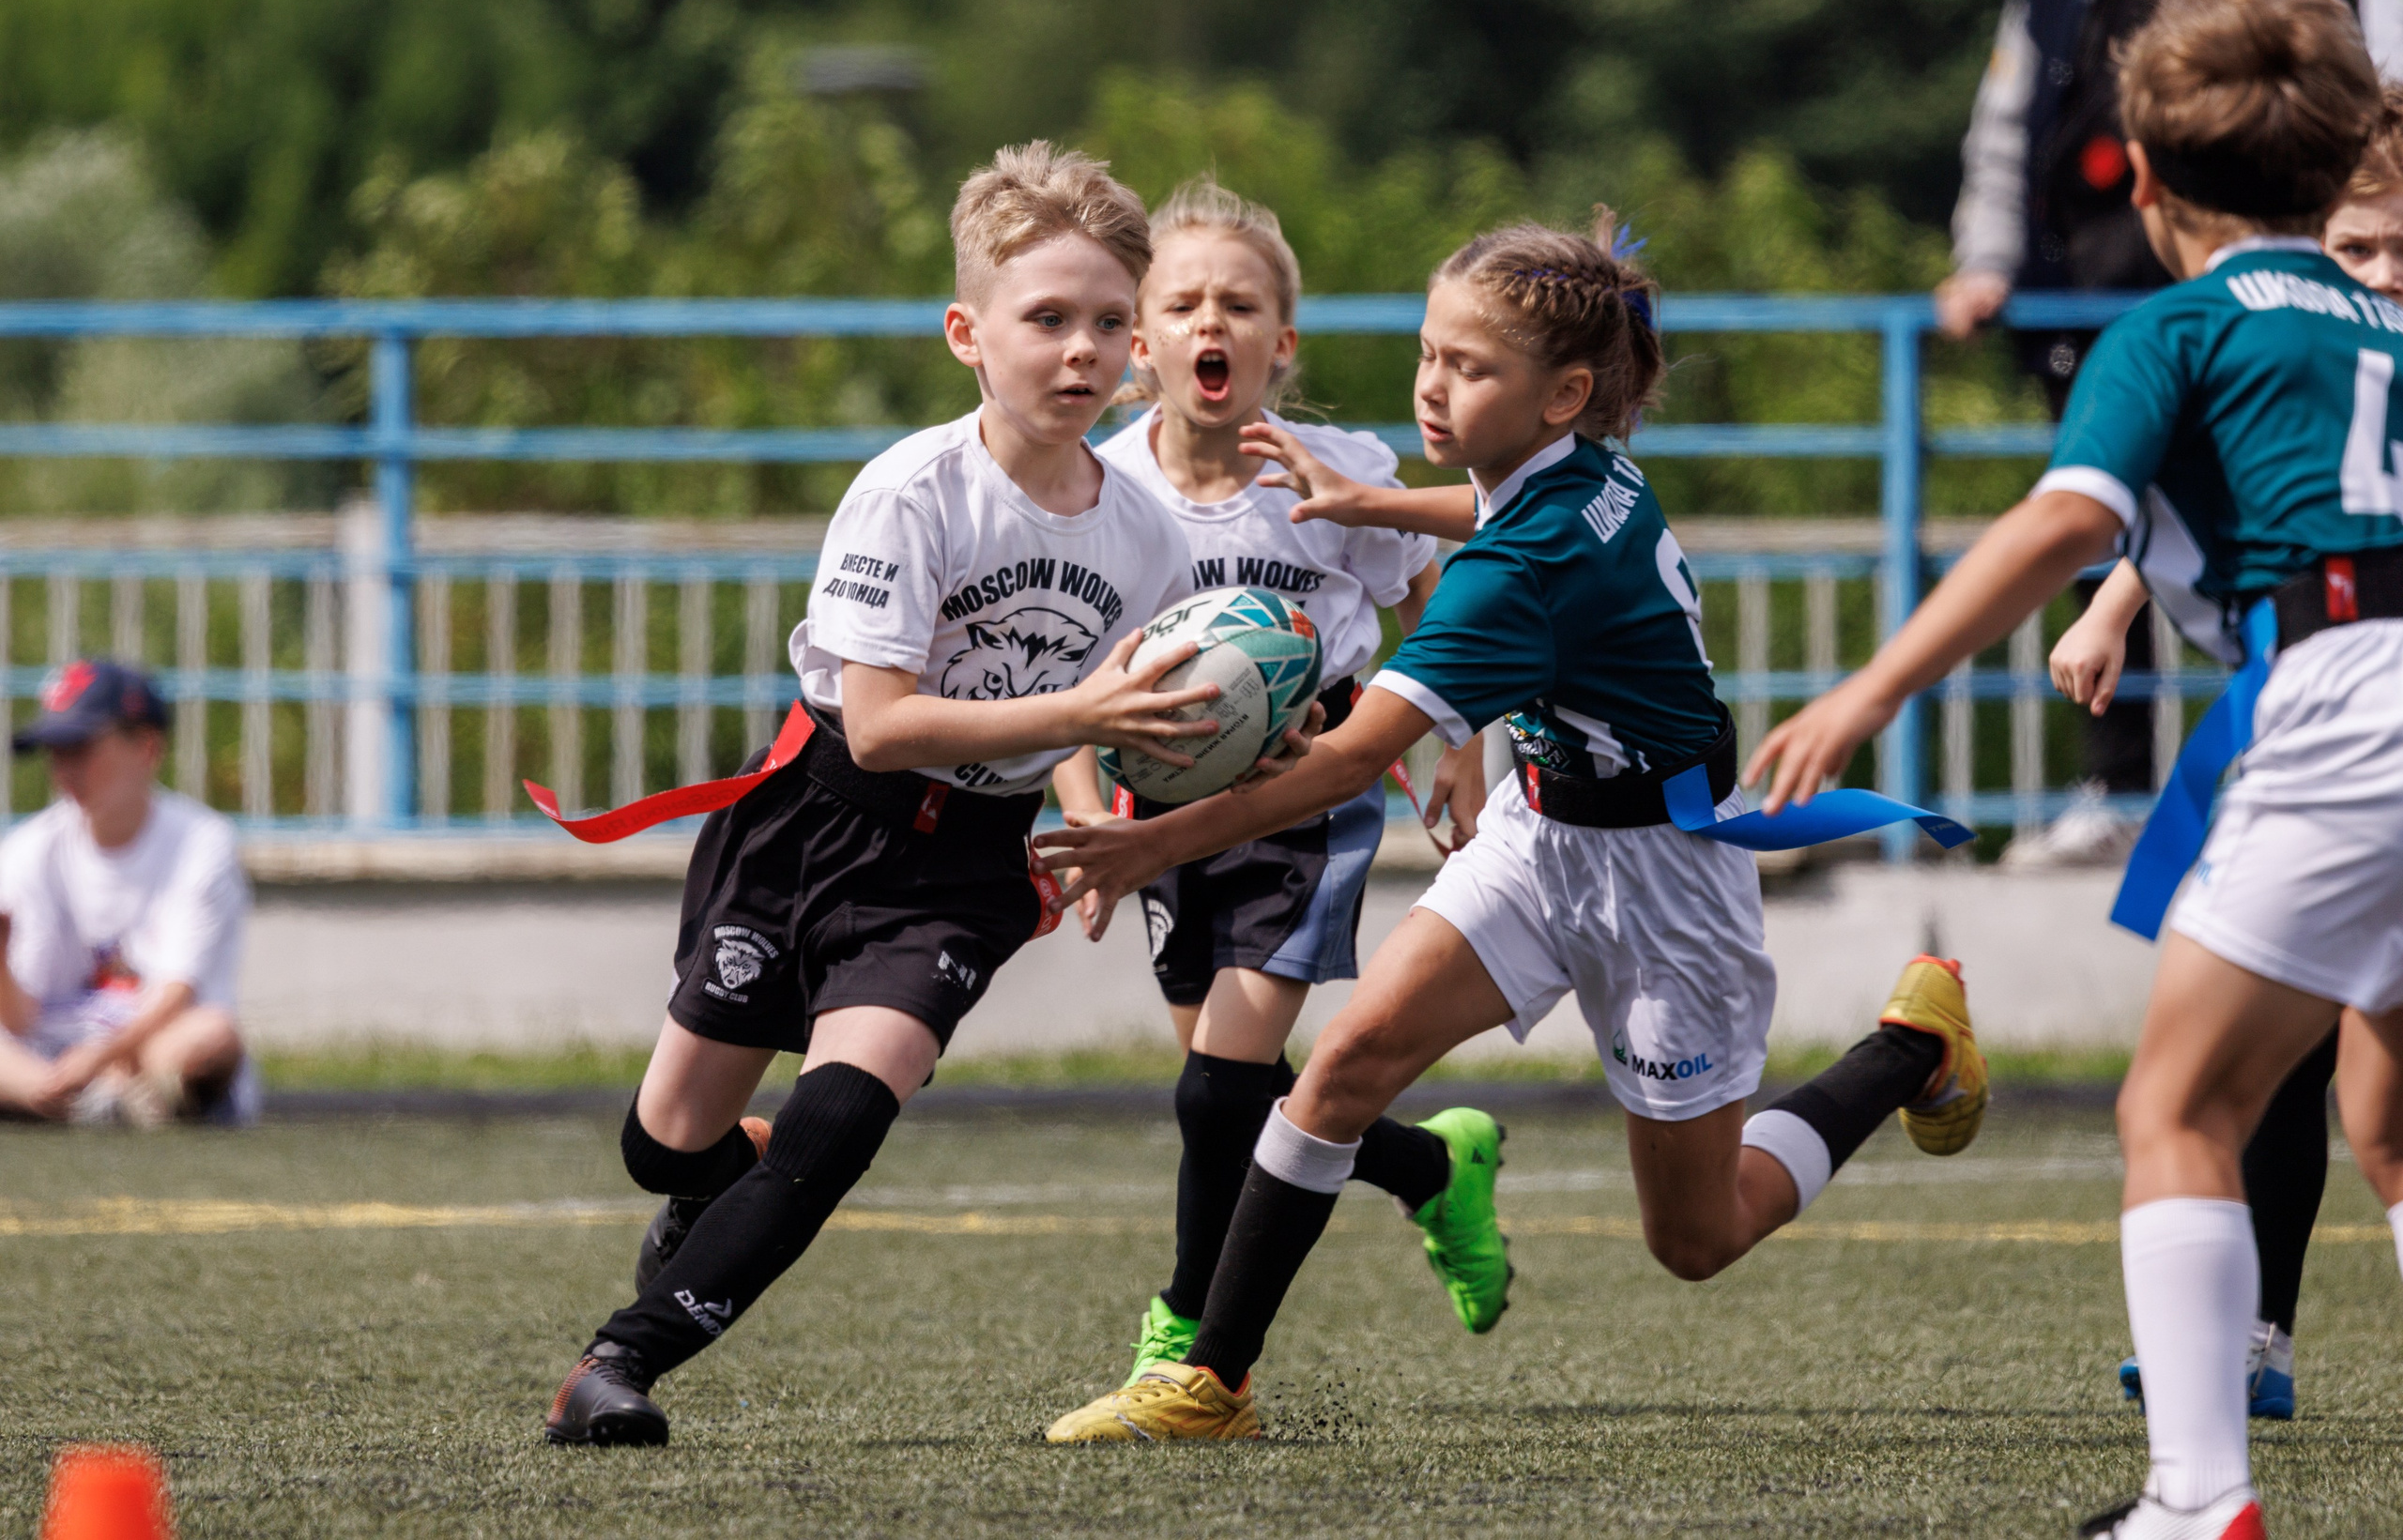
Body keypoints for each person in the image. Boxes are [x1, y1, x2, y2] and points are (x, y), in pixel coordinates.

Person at [1035, 213, 1989, 1444]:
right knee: (1344, 1066)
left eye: (1469, 368)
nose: (1432, 386)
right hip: (1541, 838)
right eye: (1429, 354)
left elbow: (1350, 765)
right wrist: (1374, 499)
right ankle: (1210, 1381)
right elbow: (1493, 508)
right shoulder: (1574, 473)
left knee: (1698, 1235)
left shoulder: (1515, 578)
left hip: (1663, 884)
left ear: (1563, 394)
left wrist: (1149, 842)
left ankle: (1911, 1045)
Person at [1750, 0, 2403, 1538]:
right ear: (2338, 167)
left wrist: (1870, 689)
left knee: (2176, 1107)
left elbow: (2062, 520)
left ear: (2147, 177)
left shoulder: (2173, 326)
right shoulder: (2387, 321)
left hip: (2338, 697)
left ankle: (2197, 1496)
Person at [542, 141, 1228, 1447]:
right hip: (815, 821)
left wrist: (1107, 795)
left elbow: (1090, 689)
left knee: (844, 1116)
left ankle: (615, 1364)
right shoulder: (911, 493)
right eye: (1046, 320)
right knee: (666, 1142)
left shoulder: (1145, 534)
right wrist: (1082, 718)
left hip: (960, 866)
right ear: (968, 334)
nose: (1081, 351)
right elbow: (882, 724)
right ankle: (716, 1185)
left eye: (1106, 324)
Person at [1058, 176, 1499, 1390]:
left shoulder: (1340, 472)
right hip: (1162, 810)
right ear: (1139, 344)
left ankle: (1189, 1333)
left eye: (1241, 305)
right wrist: (1089, 821)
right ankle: (1431, 1168)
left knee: (1217, 1093)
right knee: (1236, 1092)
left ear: (1282, 342)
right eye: (1183, 304)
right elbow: (1069, 677)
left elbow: (1437, 609)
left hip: (1310, 792)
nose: (1213, 323)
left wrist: (1460, 743)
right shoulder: (1100, 488)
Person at [2049, 84, 2403, 1426]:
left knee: (2260, 1086)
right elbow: (2224, 501)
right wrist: (2113, 601)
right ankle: (2253, 1333)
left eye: (2400, 249)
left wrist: (1879, 686)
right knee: (2298, 1071)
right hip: (2305, 706)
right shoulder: (2292, 345)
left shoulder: (2291, 339)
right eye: (2356, 246)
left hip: (2354, 718)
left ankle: (2202, 1465)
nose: (2377, 272)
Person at [1936, 0, 2327, 867]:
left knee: (2257, 534)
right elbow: (2001, 139)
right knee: (2126, 534)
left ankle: (2264, 772)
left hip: (2235, 326)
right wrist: (1985, 261)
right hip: (2085, 318)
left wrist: (1868, 694)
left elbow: (2067, 524)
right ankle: (2126, 788)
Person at [0, 660, 251, 1127]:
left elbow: (178, 991)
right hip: (55, 1051)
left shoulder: (201, 841)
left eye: (80, 748)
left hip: (150, 1042)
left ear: (147, 748)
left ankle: (83, 1100)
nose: (64, 771)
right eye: (56, 753)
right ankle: (89, 1102)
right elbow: (20, 1019)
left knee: (210, 1037)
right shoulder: (27, 850)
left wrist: (101, 1057)